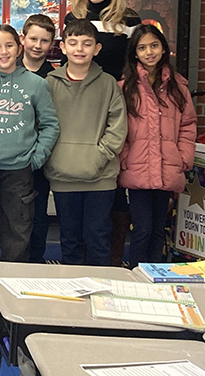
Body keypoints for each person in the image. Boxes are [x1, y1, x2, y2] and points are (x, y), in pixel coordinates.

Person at [0, 24, 59, 314]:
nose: (3, 52)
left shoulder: (35, 84)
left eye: (8, 45)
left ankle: (12, 288)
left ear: (19, 48)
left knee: (19, 231)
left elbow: (50, 125)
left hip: (20, 169)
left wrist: (36, 158)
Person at [63, 0, 141, 267]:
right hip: (82, 109)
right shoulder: (74, 16)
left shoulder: (130, 20)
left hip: (118, 103)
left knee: (113, 184)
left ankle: (112, 261)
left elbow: (136, 65)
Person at [45, 19, 127, 266]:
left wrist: (98, 156)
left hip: (100, 178)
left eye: (87, 43)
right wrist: (53, 157)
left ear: (97, 49)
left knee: (98, 237)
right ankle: (74, 299)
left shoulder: (108, 84)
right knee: (69, 240)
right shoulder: (49, 83)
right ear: (63, 47)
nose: (80, 49)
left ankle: (100, 298)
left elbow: (118, 127)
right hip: (62, 176)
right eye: (73, 43)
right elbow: (41, 126)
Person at [119, 24, 197, 266]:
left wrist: (183, 157)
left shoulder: (177, 87)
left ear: (164, 48)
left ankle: (156, 277)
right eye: (142, 48)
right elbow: (117, 128)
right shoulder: (126, 87)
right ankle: (135, 275)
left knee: (157, 229)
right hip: (138, 170)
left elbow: (188, 125)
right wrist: (124, 158)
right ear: (135, 53)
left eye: (154, 45)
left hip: (167, 168)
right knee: (142, 228)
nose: (149, 52)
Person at [19, 14, 57, 264]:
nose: (37, 45)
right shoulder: (7, 70)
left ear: (52, 44)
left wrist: (38, 156)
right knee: (8, 216)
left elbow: (52, 122)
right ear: (22, 39)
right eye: (33, 38)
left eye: (44, 40)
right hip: (9, 157)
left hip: (38, 159)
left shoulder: (54, 78)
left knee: (38, 214)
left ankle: (35, 262)